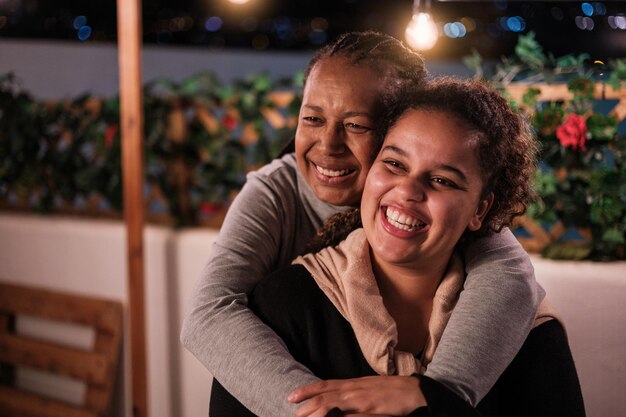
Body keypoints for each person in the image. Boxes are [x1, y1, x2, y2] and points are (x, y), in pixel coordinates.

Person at [180, 32, 543, 416]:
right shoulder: (277, 194)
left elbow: (510, 273)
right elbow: (209, 314)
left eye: (355, 125)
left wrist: (432, 395)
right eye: (313, 119)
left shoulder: (444, 210)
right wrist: (318, 410)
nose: (328, 144)